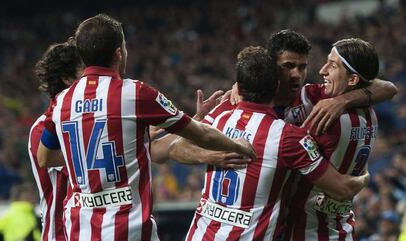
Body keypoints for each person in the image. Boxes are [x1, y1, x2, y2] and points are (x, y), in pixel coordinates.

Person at [36, 14, 255, 241]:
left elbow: (45, 158)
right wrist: (236, 145)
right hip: (128, 231)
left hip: (79, 231)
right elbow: (201, 134)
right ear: (118, 53)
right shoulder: (134, 93)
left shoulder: (61, 101)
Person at [171, 46, 369, 241]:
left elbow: (176, 148)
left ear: (238, 88)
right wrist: (364, 176)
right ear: (276, 87)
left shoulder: (219, 118)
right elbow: (342, 189)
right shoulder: (289, 137)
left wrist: (213, 156)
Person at [282, 38, 381, 241]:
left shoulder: (326, 117)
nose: (322, 71)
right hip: (341, 228)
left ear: (353, 80)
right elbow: (386, 87)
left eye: (333, 65)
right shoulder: (371, 114)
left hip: (304, 230)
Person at [29, 40, 83, 241]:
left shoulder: (87, 120)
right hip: (61, 234)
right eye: (85, 69)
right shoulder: (43, 128)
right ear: (68, 78)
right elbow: (88, 169)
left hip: (90, 231)